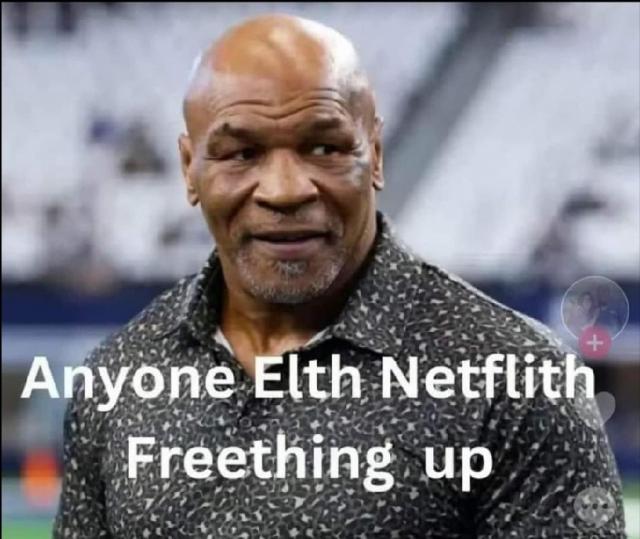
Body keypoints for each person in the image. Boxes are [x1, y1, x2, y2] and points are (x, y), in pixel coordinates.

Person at [54, 14, 625, 538]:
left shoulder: (519, 379)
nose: (284, 190)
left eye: (324, 147)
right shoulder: (119, 377)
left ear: (375, 153)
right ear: (189, 169)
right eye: (241, 154)